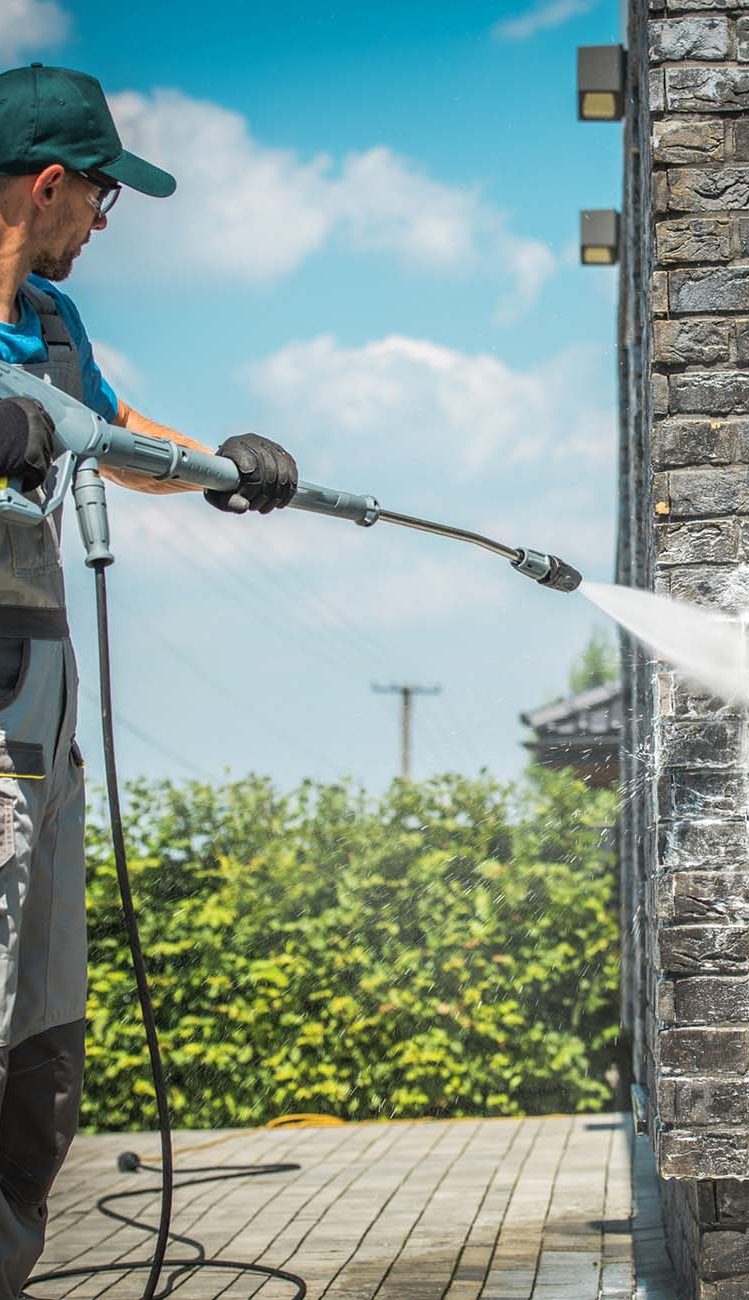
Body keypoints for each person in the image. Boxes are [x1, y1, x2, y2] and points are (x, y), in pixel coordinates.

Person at [0, 64, 298, 1295]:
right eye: (103, 200)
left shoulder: (55, 332)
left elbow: (119, 439)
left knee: (38, 1061)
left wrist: (224, 464)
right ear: (52, 184)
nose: (105, 227)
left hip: (43, 733)